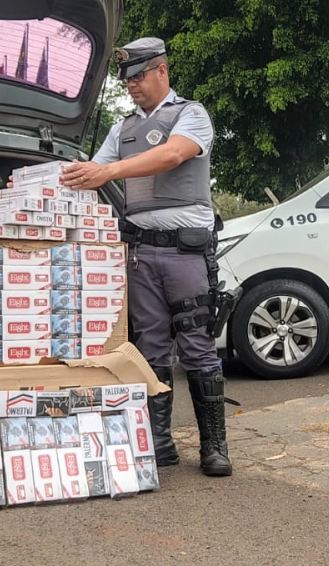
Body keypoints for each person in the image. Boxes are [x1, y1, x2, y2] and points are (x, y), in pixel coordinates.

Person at [60, 37, 233, 477]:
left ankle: (214, 448)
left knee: (196, 342)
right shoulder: (122, 129)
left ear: (162, 71)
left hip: (185, 251)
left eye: (138, 76)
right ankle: (160, 446)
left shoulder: (190, 115)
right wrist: (39, 180)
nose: (131, 86)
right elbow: (88, 172)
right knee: (151, 348)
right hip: (141, 253)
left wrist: (110, 170)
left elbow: (173, 155)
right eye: (126, 80)